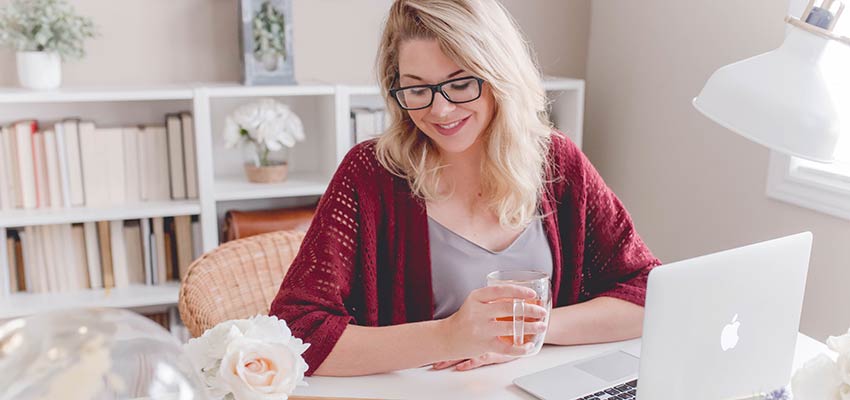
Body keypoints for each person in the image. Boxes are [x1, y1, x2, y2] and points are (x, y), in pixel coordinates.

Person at [269, 0, 660, 377]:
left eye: (460, 83)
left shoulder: (558, 163)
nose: (439, 111)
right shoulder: (369, 174)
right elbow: (294, 331)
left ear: (499, 75)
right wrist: (449, 337)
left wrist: (527, 331)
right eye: (417, 89)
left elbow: (649, 293)